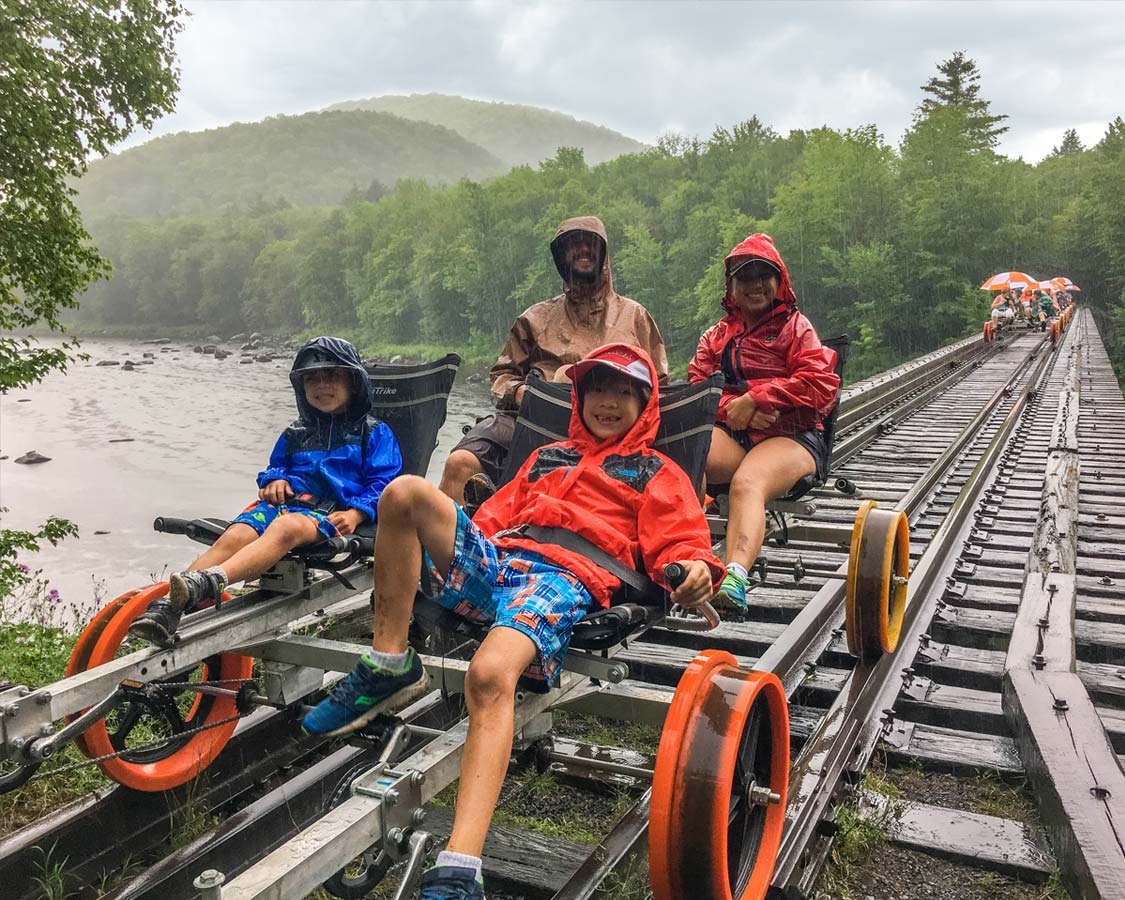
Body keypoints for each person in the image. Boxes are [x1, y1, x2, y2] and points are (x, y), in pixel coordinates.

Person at [303, 342, 722, 900]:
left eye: (625, 392)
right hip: (504, 561)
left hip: (566, 577)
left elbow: (685, 542)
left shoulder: (657, 472)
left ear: (645, 404)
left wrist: (696, 570)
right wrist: (446, 542)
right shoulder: (547, 457)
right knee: (404, 492)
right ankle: (389, 661)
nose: (608, 402)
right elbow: (494, 519)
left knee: (488, 675)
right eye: (598, 388)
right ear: (580, 396)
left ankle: (459, 868)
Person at [129, 337, 404, 646]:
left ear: (354, 382)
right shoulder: (294, 433)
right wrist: (273, 481)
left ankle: (210, 582)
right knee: (236, 535)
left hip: (329, 512)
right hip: (283, 505)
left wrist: (356, 513)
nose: (321, 385)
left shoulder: (375, 433)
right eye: (312, 378)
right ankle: (168, 606)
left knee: (285, 529)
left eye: (332, 376)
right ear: (301, 387)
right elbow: (276, 467)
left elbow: (385, 484)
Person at [439, 216, 670, 504]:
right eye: (573, 244)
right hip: (534, 421)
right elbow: (501, 375)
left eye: (590, 243)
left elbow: (660, 384)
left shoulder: (635, 316)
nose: (582, 250)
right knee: (459, 462)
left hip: (613, 426)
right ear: (561, 256)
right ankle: (459, 541)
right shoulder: (534, 317)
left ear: (604, 254)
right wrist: (521, 393)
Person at [689, 234, 840, 609]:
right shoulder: (716, 337)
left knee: (748, 482)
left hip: (792, 437)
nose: (756, 284)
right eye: (746, 277)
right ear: (731, 288)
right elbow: (697, 390)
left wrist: (758, 397)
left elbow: (821, 386)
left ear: (779, 281)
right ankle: (687, 554)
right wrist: (733, 410)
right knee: (686, 455)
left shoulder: (796, 328)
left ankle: (734, 576)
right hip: (737, 434)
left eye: (764, 275)